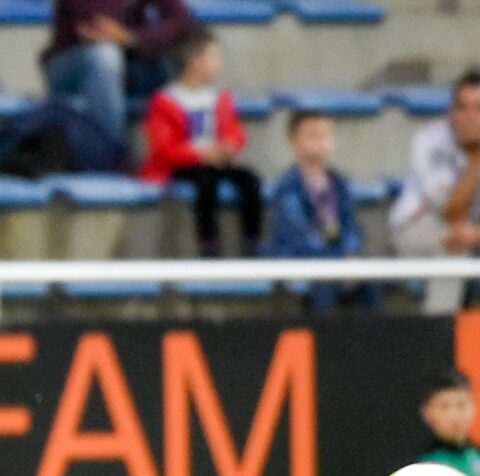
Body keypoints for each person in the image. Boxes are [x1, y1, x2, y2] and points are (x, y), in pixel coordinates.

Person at [139, 27, 260, 258]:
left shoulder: (219, 97)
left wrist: (229, 146)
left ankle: (252, 240)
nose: (220, 63)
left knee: (250, 180)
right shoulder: (165, 100)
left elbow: (236, 132)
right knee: (206, 183)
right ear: (195, 61)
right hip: (184, 165)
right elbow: (163, 147)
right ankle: (209, 242)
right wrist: (201, 155)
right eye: (215, 56)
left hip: (216, 160)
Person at [264, 111, 379, 313]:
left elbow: (351, 226)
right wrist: (335, 259)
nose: (320, 142)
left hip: (336, 258)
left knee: (370, 280)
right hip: (298, 260)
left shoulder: (339, 183)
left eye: (325, 135)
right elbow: (298, 235)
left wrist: (349, 252)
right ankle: (323, 341)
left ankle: (378, 341)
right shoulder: (288, 187)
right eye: (312, 135)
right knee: (323, 282)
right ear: (294, 141)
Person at [42, 0, 193, 146]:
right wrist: (130, 37)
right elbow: (97, 26)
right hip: (72, 63)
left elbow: (180, 18)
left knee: (175, 52)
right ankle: (112, 153)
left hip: (129, 59)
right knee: (105, 55)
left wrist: (134, 38)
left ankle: (185, 153)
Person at [390, 70, 480, 312]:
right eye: (462, 107)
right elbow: (452, 214)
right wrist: (475, 158)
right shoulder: (430, 140)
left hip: (474, 232)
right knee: (453, 246)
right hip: (419, 228)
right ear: (452, 111)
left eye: (478, 108)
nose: (470, 117)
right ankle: (439, 338)